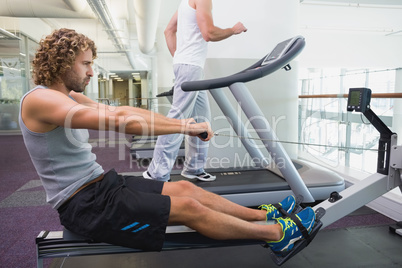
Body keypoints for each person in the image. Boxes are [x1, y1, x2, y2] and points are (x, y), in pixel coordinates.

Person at [19, 28, 316, 255]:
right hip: (83, 205)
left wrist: (184, 124)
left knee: (185, 187)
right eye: (85, 64)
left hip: (100, 185)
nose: (91, 71)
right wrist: (183, 127)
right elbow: (120, 123)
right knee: (190, 208)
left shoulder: (66, 96)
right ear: (63, 62)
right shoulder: (41, 101)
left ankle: (265, 214)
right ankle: (277, 234)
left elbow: (120, 110)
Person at [143, 0, 248, 182]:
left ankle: (194, 168)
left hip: (190, 66)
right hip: (190, 67)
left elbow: (168, 30)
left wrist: (179, 57)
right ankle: (156, 173)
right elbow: (209, 33)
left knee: (202, 119)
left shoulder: (185, 3)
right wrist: (233, 29)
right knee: (177, 121)